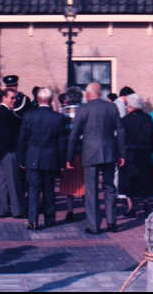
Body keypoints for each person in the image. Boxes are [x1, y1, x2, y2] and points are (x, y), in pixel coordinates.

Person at [67, 82, 125, 234]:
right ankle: (111, 221)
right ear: (101, 93)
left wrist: (69, 156)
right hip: (109, 152)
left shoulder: (83, 109)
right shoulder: (111, 107)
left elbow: (74, 135)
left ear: (88, 94)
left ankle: (94, 225)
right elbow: (120, 130)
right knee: (109, 187)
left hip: (90, 153)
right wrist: (121, 153)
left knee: (91, 190)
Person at [18, 88, 67, 230]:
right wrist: (62, 161)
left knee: (33, 190)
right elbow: (61, 142)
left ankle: (32, 221)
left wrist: (21, 160)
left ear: (38, 99)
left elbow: (22, 139)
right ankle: (49, 219)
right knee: (49, 190)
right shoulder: (58, 118)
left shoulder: (28, 116)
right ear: (51, 100)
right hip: (50, 158)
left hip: (32, 157)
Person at [120, 94, 153, 217]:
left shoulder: (125, 120)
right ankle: (146, 204)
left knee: (129, 181)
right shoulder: (148, 118)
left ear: (130, 105)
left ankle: (131, 207)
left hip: (130, 154)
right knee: (145, 180)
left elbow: (121, 139)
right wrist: (152, 149)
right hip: (145, 153)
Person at [0, 89, 27, 219]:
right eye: (12, 98)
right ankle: (17, 210)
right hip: (8, 152)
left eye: (15, 98)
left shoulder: (2, 112)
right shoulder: (4, 113)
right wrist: (13, 149)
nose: (14, 100)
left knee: (3, 182)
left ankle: (3, 209)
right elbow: (6, 135)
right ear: (4, 98)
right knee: (13, 181)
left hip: (1, 153)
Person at [59, 86, 86, 222]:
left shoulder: (61, 112)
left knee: (69, 183)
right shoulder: (85, 111)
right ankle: (87, 210)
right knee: (84, 183)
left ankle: (70, 211)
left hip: (68, 155)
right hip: (83, 153)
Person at [112, 86, 135, 206]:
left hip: (113, 137)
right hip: (118, 139)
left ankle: (116, 192)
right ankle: (118, 193)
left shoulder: (115, 103)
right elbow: (122, 125)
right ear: (126, 96)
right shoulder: (120, 106)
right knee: (119, 166)